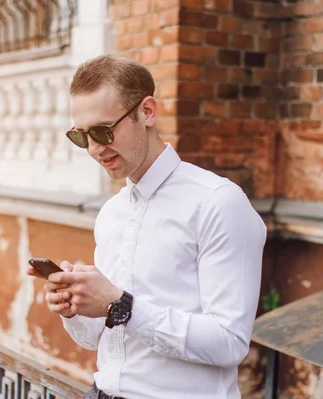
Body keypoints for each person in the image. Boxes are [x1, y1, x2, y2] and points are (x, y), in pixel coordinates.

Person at [27, 55, 267, 399]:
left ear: (147, 112)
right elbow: (96, 337)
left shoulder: (218, 202)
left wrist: (121, 305)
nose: (94, 149)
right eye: (82, 137)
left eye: (103, 131)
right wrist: (74, 307)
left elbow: (229, 342)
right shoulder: (111, 213)